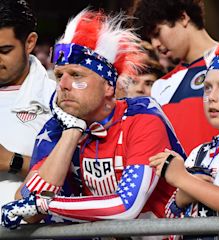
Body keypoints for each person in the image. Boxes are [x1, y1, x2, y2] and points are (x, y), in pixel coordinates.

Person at [1, 8, 186, 230]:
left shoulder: (142, 117)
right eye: (59, 75)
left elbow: (127, 206)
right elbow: (27, 207)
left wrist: (47, 204)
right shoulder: (58, 127)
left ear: (109, 85)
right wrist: (71, 133)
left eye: (77, 75)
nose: (63, 85)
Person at [149, 32, 219, 239]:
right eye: (207, 88)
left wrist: (184, 179)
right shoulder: (199, 152)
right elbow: (170, 223)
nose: (212, 97)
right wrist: (181, 198)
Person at [133, 0, 219, 155]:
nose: (155, 44)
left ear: (183, 17)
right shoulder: (161, 86)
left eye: (157, 33)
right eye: (150, 38)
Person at [0, 0, 56, 219]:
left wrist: (13, 161)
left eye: (4, 50)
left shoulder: (59, 98)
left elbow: (80, 175)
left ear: (30, 42)